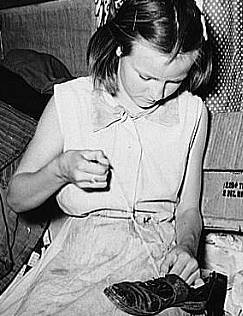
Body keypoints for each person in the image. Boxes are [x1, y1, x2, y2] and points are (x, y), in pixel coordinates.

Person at [0, 0, 212, 315]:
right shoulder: (72, 101)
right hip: (78, 258)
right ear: (118, 49)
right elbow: (17, 198)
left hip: (156, 257)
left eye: (175, 81)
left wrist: (185, 246)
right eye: (146, 76)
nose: (157, 93)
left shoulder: (193, 113)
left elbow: (188, 209)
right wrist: (60, 170)